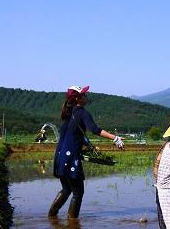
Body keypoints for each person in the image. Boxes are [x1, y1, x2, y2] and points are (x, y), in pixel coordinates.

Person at [48, 85, 124, 219]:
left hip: (60, 157)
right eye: (84, 94)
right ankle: (73, 223)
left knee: (66, 189)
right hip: (70, 158)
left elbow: (76, 135)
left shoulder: (68, 113)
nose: (86, 96)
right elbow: (95, 129)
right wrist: (115, 138)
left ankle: (51, 217)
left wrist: (89, 145)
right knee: (78, 193)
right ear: (78, 98)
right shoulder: (82, 113)